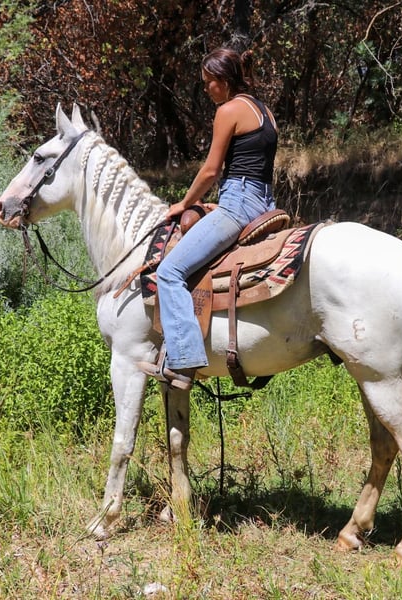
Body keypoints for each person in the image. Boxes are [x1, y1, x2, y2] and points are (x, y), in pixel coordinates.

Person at [138, 47, 278, 390]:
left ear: (224, 80)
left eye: (208, 82)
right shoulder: (266, 112)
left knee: (169, 272)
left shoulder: (228, 110)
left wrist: (184, 203)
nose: (206, 89)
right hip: (265, 202)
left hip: (240, 204)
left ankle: (184, 361)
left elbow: (211, 170)